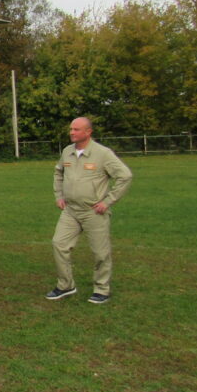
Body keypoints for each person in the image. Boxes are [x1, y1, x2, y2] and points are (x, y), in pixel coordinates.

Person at [47, 117, 132, 304]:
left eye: (76, 129)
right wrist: (59, 195)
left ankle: (102, 289)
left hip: (94, 212)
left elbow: (125, 176)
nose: (72, 132)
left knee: (101, 253)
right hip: (70, 210)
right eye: (71, 129)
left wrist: (108, 201)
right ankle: (66, 285)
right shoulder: (67, 151)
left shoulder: (103, 153)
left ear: (88, 132)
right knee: (59, 244)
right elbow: (58, 173)